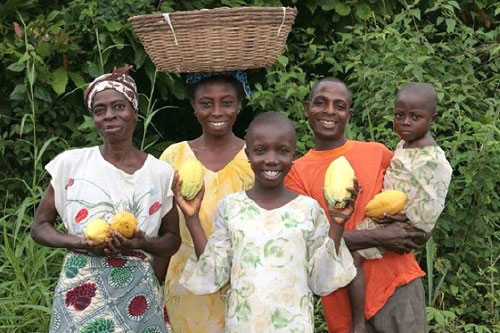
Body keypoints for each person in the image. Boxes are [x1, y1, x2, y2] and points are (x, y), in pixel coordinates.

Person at [174, 112, 357, 332]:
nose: (271, 159)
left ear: (293, 155)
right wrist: (191, 218)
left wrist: (337, 225)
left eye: (282, 151)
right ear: (248, 154)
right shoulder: (231, 207)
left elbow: (321, 280)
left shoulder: (308, 209)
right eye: (260, 151)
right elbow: (214, 273)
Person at [31, 66, 181, 333]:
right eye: (100, 110)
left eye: (119, 106)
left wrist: (141, 242)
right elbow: (40, 227)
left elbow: (172, 239)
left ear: (135, 111)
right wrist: (82, 243)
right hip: (81, 291)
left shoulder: (160, 173)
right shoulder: (71, 165)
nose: (110, 115)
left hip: (138, 292)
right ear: (94, 119)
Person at [285, 77, 429, 333]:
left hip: (398, 285)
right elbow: (312, 243)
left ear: (349, 115)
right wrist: (381, 236)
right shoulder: (295, 174)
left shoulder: (377, 153)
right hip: (342, 301)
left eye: (339, 106)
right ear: (306, 108)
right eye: (321, 102)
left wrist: (410, 229)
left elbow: (413, 200)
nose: (329, 111)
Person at [348, 82, 453, 332]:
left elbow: (432, 199)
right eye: (399, 115)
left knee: (353, 259)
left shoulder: (432, 159)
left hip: (403, 224)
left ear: (432, 119)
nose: (405, 122)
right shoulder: (405, 145)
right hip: (388, 216)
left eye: (415, 117)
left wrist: (408, 222)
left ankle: (358, 321)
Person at [159, 72, 254, 332]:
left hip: (241, 280)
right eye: (206, 103)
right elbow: (163, 225)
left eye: (226, 102)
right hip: (185, 281)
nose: (216, 111)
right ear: (193, 105)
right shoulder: (173, 156)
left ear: (239, 104)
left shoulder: (255, 157)